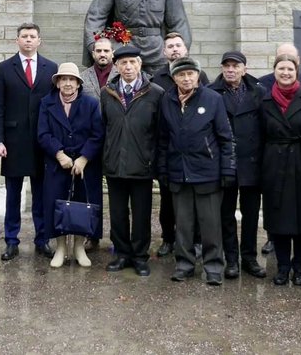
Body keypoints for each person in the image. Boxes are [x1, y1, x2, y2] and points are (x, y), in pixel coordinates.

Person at [157, 57, 235, 285]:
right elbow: (163, 139)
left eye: (191, 74)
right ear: (174, 78)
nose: (186, 78)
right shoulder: (167, 100)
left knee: (210, 224)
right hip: (178, 172)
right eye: (181, 74)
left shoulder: (213, 99)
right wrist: (162, 169)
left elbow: (226, 138)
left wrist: (228, 170)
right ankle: (184, 264)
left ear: (198, 76)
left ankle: (213, 267)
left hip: (206, 172)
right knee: (183, 224)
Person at [258, 54, 301, 286]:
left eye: (289, 69)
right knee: (278, 220)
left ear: (296, 72)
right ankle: (282, 267)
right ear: (274, 71)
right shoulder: (265, 101)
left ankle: (300, 267)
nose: (285, 73)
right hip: (274, 166)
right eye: (281, 69)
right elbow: (259, 137)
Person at [0, 23, 59, 260]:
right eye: (24, 36)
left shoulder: (51, 68)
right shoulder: (5, 68)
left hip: (42, 141)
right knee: (13, 195)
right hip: (14, 142)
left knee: (41, 194)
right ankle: (11, 240)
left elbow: (56, 106)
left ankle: (42, 239)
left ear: (39, 40)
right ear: (17, 40)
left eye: (32, 36)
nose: (28, 40)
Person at [101, 45, 165, 277]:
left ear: (140, 65)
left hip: (142, 165)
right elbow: (104, 128)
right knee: (117, 214)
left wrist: (155, 162)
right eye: (123, 63)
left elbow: (160, 133)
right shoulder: (107, 92)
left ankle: (140, 256)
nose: (128, 67)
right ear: (116, 66)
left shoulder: (155, 93)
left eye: (133, 62)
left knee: (141, 215)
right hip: (115, 164)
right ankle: (121, 254)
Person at [37, 63, 105, 268]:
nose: (67, 83)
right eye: (63, 79)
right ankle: (60, 248)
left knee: (81, 205)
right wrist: (59, 154)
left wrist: (84, 158)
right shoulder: (46, 103)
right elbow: (42, 134)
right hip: (57, 164)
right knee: (55, 204)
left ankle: (78, 247)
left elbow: (97, 134)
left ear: (78, 83)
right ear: (57, 83)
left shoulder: (91, 104)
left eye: (71, 80)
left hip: (85, 166)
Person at [208, 51, 265, 280]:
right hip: (225, 163)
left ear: (244, 68)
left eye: (235, 66)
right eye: (227, 66)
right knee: (226, 214)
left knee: (251, 215)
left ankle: (249, 258)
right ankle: (231, 259)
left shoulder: (258, 92)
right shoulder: (212, 93)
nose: (231, 70)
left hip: (252, 162)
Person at [151, 32, 207, 257]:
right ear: (165, 52)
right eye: (170, 46)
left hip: (195, 151)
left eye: (178, 45)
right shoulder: (157, 78)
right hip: (170, 149)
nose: (174, 49)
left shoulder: (200, 74)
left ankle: (197, 239)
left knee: (195, 200)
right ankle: (168, 238)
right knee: (167, 199)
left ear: (186, 49)